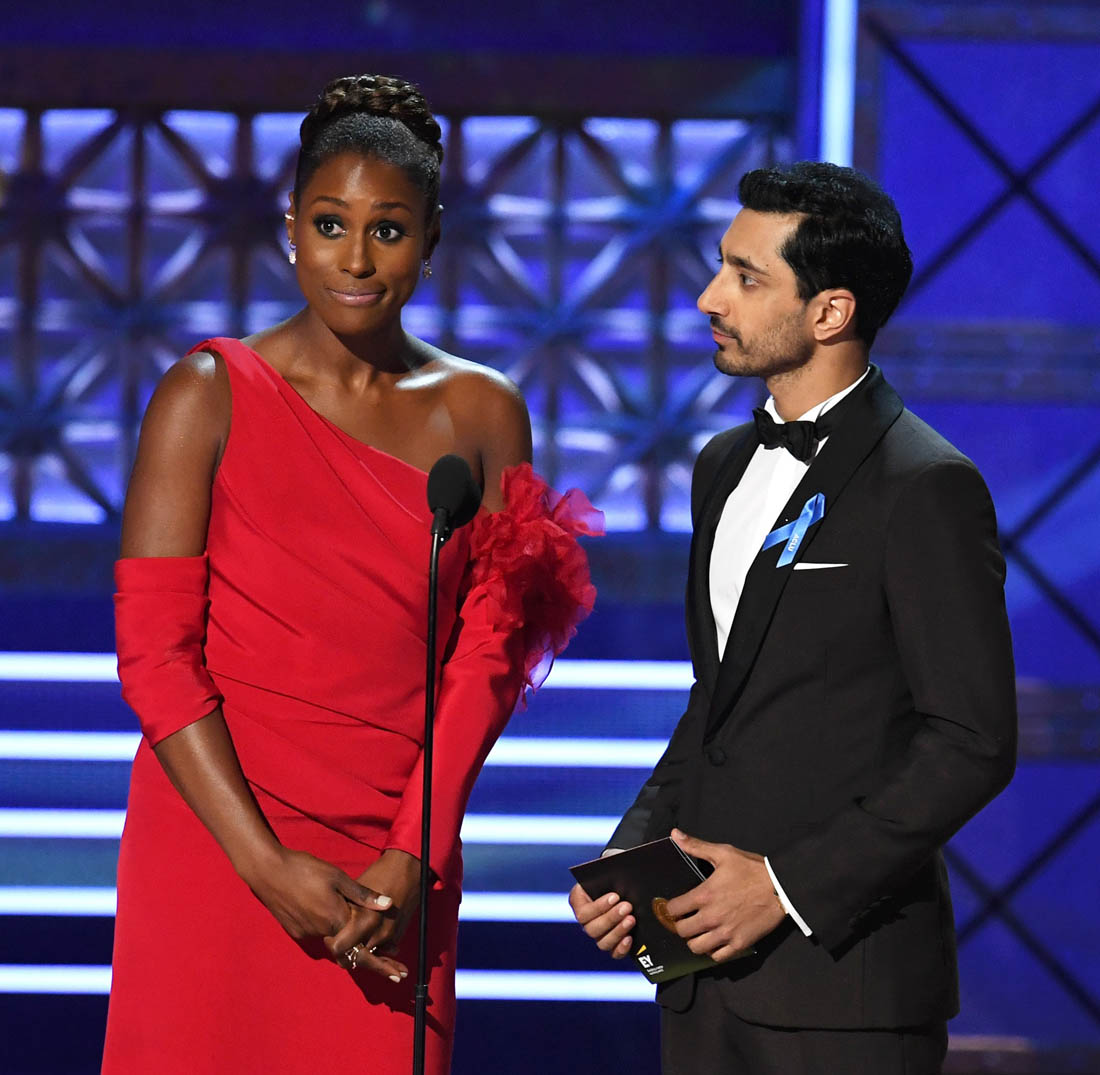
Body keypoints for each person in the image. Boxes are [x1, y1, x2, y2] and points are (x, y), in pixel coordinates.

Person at [102, 73, 601, 1075]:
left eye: (388, 229)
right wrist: (262, 864)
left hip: (394, 858)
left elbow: (488, 656)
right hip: (217, 840)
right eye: (330, 223)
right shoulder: (206, 394)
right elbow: (155, 654)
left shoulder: (483, 411)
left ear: (432, 236)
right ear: (290, 227)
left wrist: (415, 849)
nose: (356, 258)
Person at [569, 161, 1016, 1074]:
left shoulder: (927, 485)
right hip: (700, 977)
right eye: (720, 267)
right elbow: (718, 704)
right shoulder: (723, 465)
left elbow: (972, 739)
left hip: (846, 991)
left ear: (830, 313)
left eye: (745, 276)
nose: (708, 297)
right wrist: (632, 855)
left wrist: (783, 886)